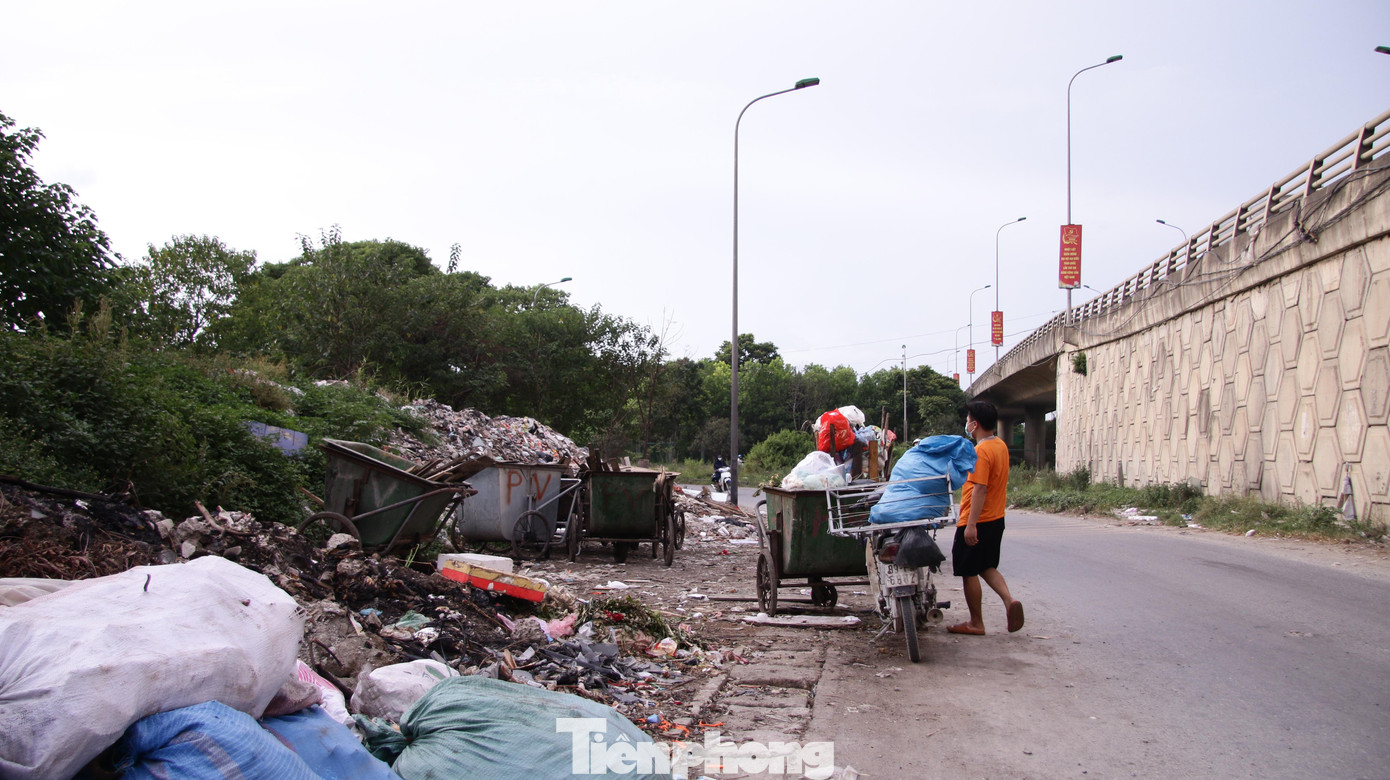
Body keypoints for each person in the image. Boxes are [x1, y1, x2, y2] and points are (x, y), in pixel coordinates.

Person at [947, 399, 1024, 636]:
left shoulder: (980, 451)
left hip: (977, 520)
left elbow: (980, 488)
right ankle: (1009, 600)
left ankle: (976, 623)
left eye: (968, 419)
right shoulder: (1000, 445)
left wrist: (970, 526)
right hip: (996, 518)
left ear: (975, 424)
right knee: (986, 565)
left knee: (968, 570)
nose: (966, 423)